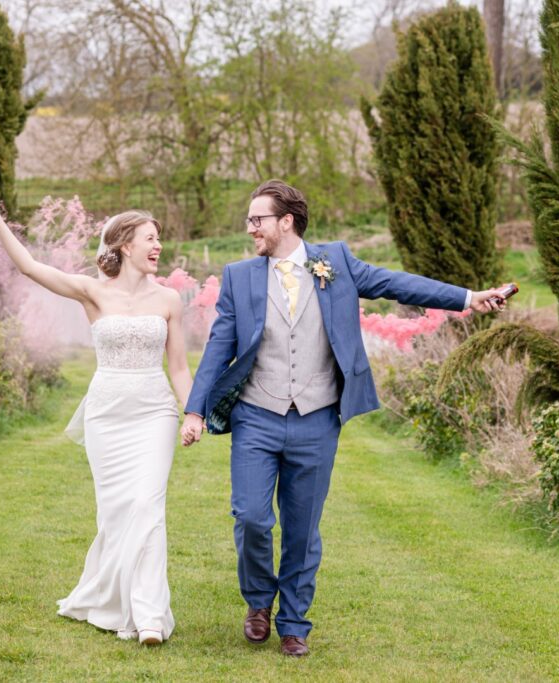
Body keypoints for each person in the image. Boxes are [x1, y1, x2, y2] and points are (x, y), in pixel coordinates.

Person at [180, 179, 507, 657]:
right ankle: (258, 602)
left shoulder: (334, 262)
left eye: (257, 220)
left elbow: (397, 283)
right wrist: (194, 408)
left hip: (316, 417)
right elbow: (220, 345)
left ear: (285, 222)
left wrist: (466, 297)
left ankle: (293, 622)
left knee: (302, 527)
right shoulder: (240, 276)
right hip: (257, 413)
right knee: (250, 516)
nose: (250, 228)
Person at [0, 192, 191, 645]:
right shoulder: (92, 291)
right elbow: (31, 267)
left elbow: (180, 368)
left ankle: (147, 616)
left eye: (159, 238)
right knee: (116, 513)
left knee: (147, 505)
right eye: (151, 238)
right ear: (125, 244)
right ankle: (108, 596)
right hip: (107, 415)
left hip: (154, 412)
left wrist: (193, 414)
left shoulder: (169, 300)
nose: (158, 245)